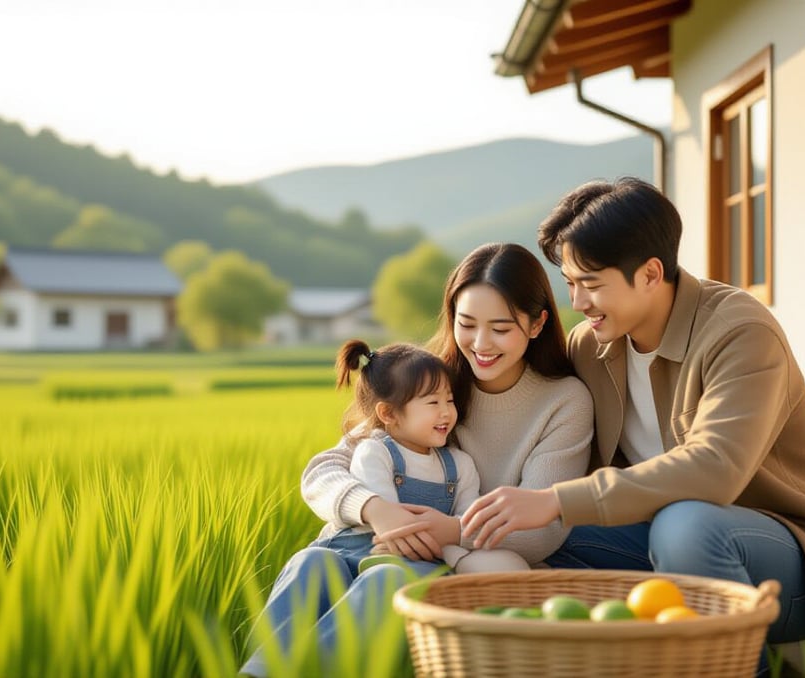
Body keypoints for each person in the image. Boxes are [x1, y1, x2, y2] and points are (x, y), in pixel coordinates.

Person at [460, 178, 805, 647]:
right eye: (570, 284)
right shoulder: (590, 347)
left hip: (788, 569)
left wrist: (555, 499)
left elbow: (714, 470)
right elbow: (515, 391)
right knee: (541, 536)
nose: (577, 303)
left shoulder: (740, 332)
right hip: (657, 549)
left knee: (685, 523)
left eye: (591, 285)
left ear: (651, 274)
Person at [240, 242, 594, 677]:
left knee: (385, 581)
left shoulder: (563, 402)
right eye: (466, 324)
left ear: (537, 323)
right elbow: (323, 470)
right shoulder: (429, 378)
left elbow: (544, 527)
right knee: (311, 563)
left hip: (452, 559)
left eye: (500, 329)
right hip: (366, 536)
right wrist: (378, 510)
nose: (480, 344)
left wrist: (449, 529)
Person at [317, 338, 529, 576]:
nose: (446, 412)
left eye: (449, 400)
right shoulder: (374, 452)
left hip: (414, 561)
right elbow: (392, 532)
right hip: (365, 550)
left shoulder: (460, 465)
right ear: (388, 413)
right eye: (432, 402)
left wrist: (461, 560)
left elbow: (467, 521)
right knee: (313, 562)